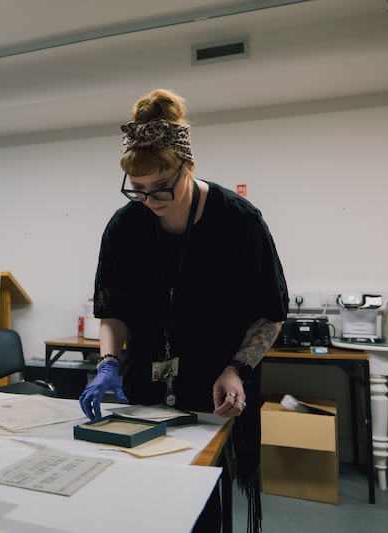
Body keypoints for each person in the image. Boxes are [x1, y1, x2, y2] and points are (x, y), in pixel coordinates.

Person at [79, 88, 288, 533]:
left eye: (161, 187)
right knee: (142, 501)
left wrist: (236, 368)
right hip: (144, 384)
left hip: (217, 388)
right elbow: (112, 309)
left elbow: (269, 313)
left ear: (188, 167)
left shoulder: (239, 221)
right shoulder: (125, 226)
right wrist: (108, 362)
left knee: (201, 505)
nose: (150, 201)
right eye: (137, 190)